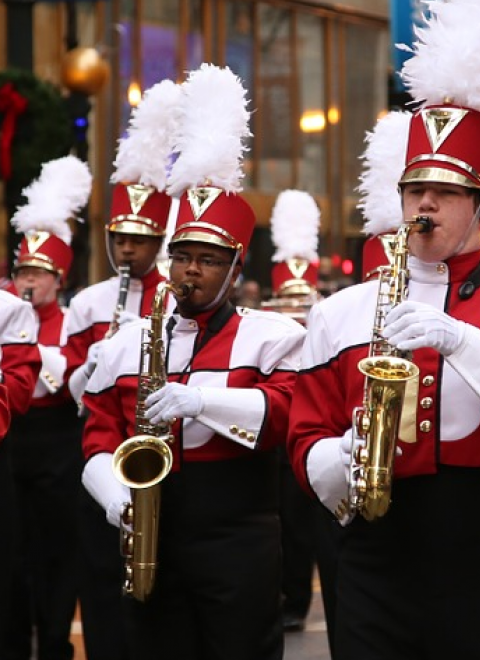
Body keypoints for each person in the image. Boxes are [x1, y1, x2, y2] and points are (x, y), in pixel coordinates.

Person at [286, 2, 480, 655]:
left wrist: (461, 340)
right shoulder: (342, 311)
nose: (425, 204)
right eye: (414, 189)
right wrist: (331, 462)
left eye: (447, 191)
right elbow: (306, 425)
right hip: (375, 558)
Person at [80, 64, 304, 660]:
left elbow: (286, 415)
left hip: (237, 533)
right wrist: (112, 496)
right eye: (182, 258)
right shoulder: (130, 339)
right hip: (149, 526)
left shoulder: (271, 336)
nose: (190, 272)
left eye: (207, 260)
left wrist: (203, 401)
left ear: (235, 270)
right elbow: (99, 431)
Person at [64, 77, 181, 660]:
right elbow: (73, 395)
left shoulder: (176, 298)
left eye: (141, 240)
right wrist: (92, 366)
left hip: (160, 449)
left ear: (159, 240)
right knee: (98, 576)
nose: (129, 251)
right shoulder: (89, 303)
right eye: (121, 239)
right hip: (103, 453)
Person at [2, 156, 90, 660]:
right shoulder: (4, 315)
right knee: (13, 556)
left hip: (58, 443)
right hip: (13, 440)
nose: (29, 281)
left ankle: (55, 638)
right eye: (22, 270)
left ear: (59, 279)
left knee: (56, 550)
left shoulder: (68, 321)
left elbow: (69, 379)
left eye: (39, 272)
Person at [260, 190, 324, 633]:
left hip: (315, 422)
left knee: (307, 522)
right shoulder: (264, 318)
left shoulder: (327, 315)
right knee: (280, 521)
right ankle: (282, 594)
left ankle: (298, 598)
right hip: (279, 431)